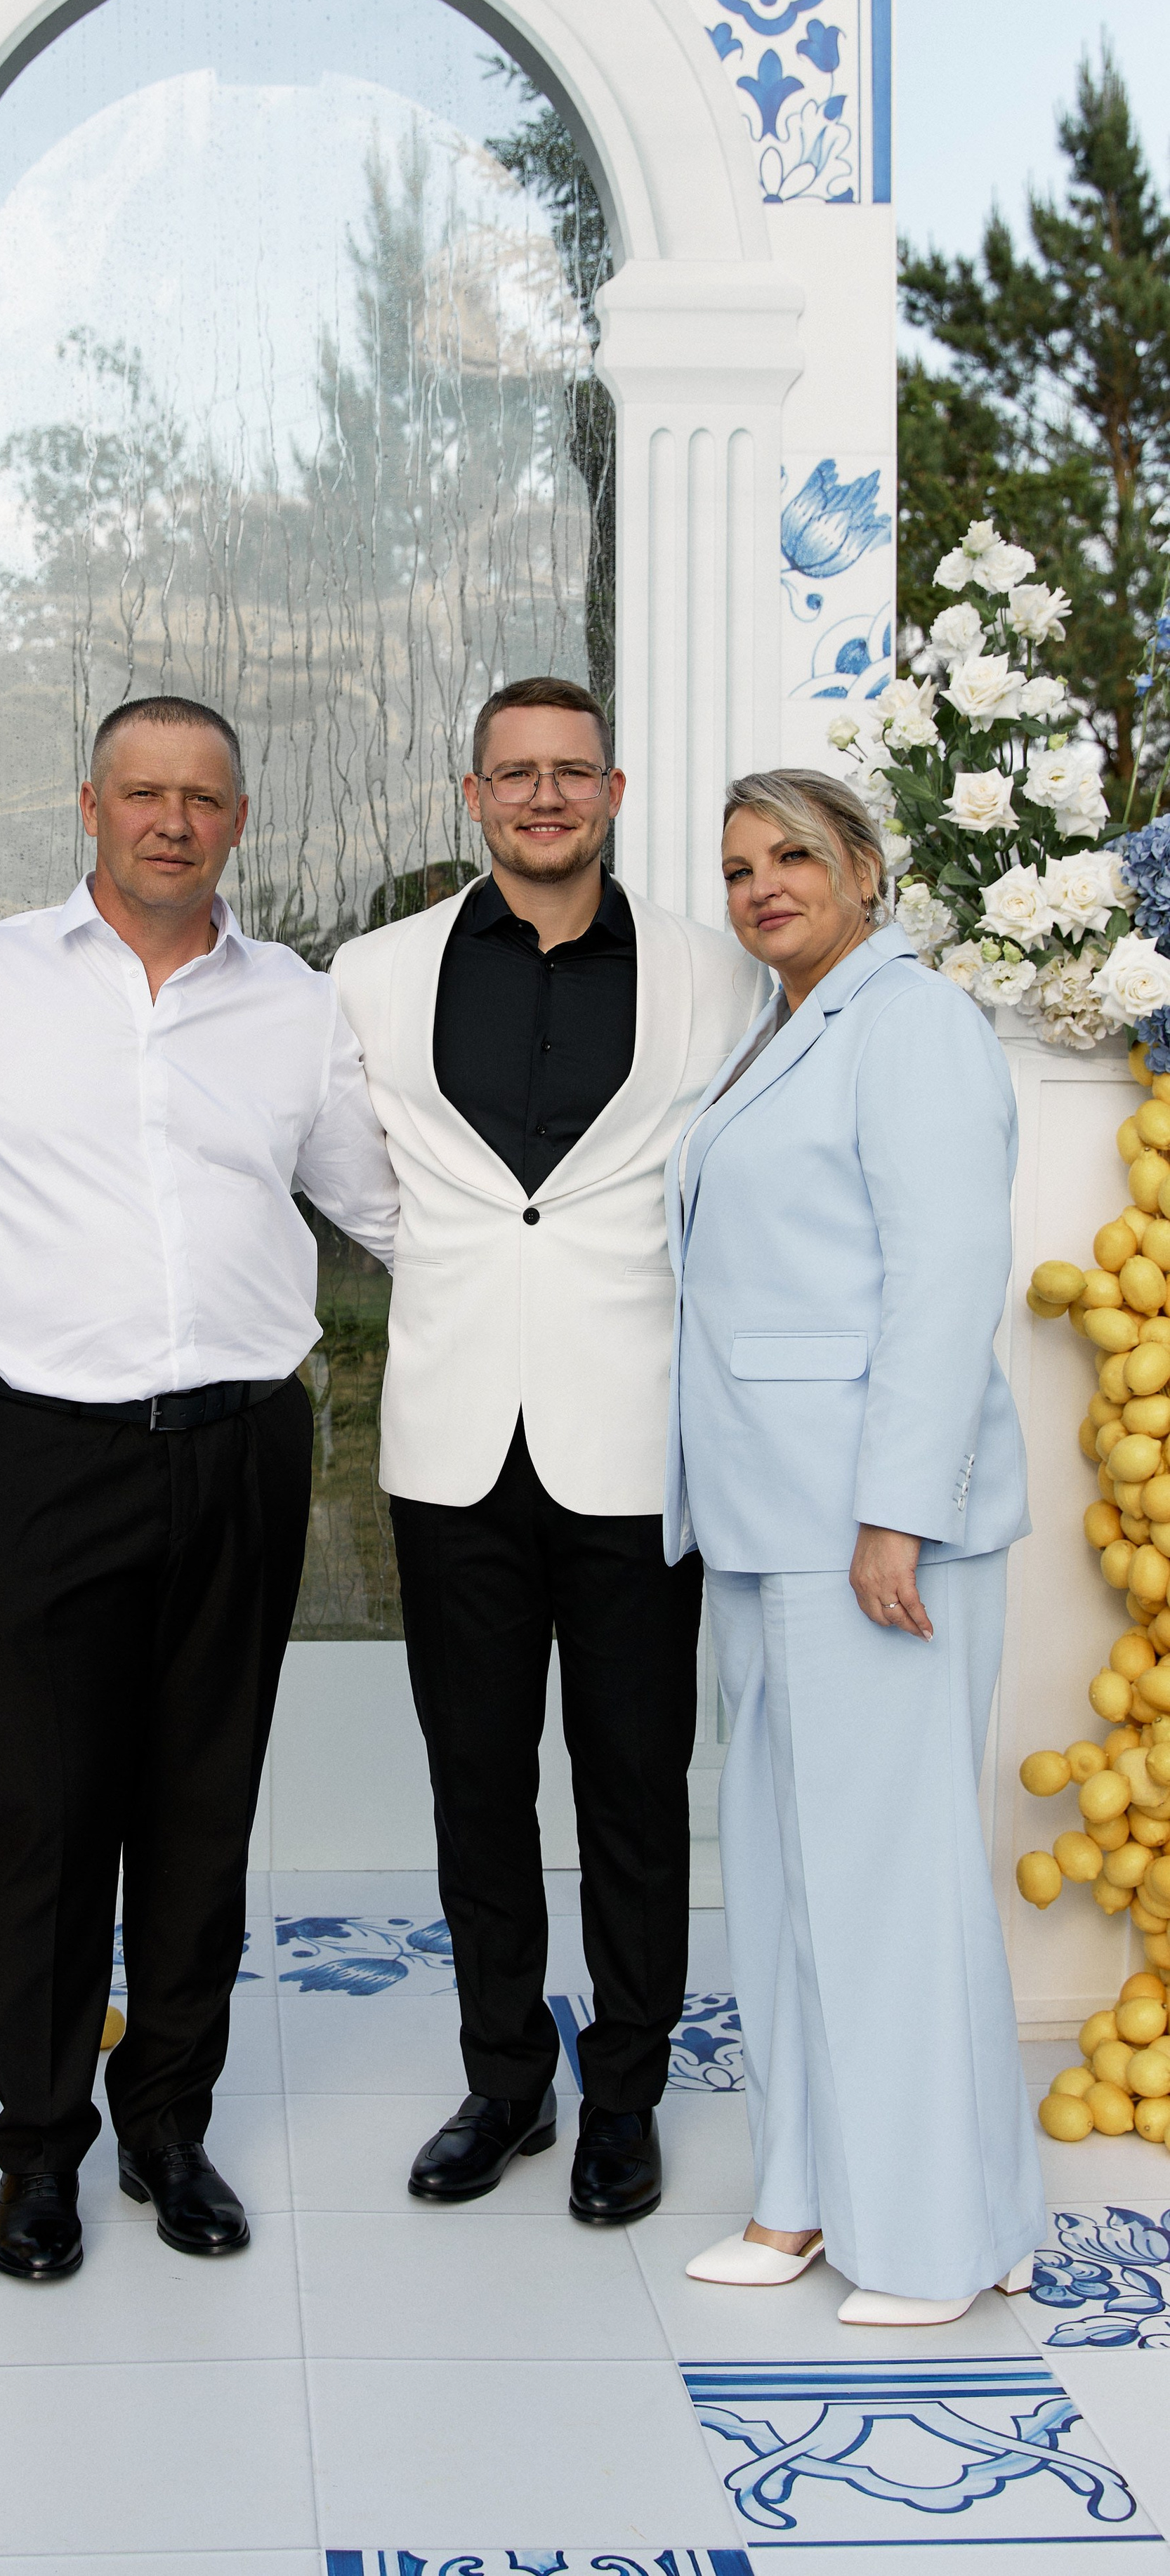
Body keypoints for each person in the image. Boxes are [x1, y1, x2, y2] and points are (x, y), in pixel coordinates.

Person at [0, 695, 397, 2280]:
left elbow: (385, 1208)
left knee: (202, 1809)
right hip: (44, 1448)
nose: (170, 820)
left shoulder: (295, 1006)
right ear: (89, 807)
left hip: (242, 1450)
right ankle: (38, 2152)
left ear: (236, 822)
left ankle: (165, 2127)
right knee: (47, 1819)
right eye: (142, 793)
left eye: (200, 798)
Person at [331, 675, 765, 2223]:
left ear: (613, 790)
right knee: (474, 1782)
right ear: (470, 797)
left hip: (640, 1442)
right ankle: (503, 2079)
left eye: (567, 772)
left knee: (637, 1785)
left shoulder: (720, 978)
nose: (539, 797)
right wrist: (454, 1266)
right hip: (451, 1444)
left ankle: (625, 2094)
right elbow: (356, 1177)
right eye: (510, 774)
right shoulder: (372, 976)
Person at [669, 767, 1044, 2324]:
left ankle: (933, 2238)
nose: (762, 885)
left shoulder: (913, 1025)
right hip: (770, 1525)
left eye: (793, 857)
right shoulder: (784, 1027)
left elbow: (947, 1275)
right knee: (785, 1876)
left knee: (884, 1886)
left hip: (864, 1533)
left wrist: (897, 1511)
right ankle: (806, 2196)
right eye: (740, 864)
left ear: (866, 869)